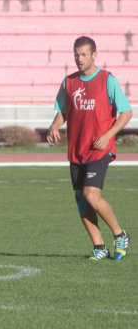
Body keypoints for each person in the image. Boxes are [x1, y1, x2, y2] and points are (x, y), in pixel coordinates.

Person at [47, 36, 132, 260]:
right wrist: (54, 126)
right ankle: (99, 247)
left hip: (99, 148)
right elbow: (62, 112)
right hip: (77, 149)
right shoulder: (69, 82)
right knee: (81, 199)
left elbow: (126, 112)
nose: (79, 58)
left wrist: (108, 135)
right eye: (76, 54)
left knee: (91, 195)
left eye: (84, 54)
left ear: (94, 55)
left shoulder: (107, 80)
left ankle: (120, 234)